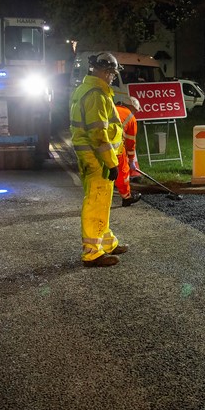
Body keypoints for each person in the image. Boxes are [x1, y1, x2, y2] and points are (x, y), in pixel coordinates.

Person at [69, 52, 127, 267]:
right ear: (105, 72)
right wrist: (112, 162)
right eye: (112, 73)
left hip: (92, 157)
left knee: (101, 201)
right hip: (97, 159)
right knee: (96, 202)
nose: (113, 77)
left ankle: (107, 242)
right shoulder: (96, 95)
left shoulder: (87, 90)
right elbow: (98, 134)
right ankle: (92, 253)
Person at [115, 96, 143, 207]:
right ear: (131, 107)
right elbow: (130, 143)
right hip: (115, 146)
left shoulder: (113, 108)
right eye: (136, 110)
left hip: (98, 144)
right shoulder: (131, 118)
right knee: (123, 171)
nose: (135, 113)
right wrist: (131, 160)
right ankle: (127, 197)